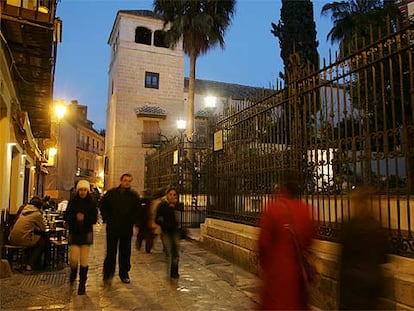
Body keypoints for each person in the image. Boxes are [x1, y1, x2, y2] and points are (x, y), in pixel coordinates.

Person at [258, 171, 314, 310]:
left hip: (276, 276)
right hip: (297, 280)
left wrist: (266, 267)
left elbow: (263, 245)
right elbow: (309, 242)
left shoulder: (273, 209)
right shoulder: (306, 211)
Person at [339, 185, 388, 310]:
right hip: (373, 282)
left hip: (353, 285)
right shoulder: (377, 227)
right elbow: (384, 258)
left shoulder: (349, 226)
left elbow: (343, 257)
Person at [99, 173, 141, 284]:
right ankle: (108, 274)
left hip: (126, 228)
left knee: (125, 252)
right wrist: (106, 218)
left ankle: (124, 274)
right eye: (125, 180)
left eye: (129, 181)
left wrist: (133, 220)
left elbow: (137, 210)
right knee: (111, 252)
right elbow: (102, 205)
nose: (127, 183)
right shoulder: (111, 194)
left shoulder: (134, 196)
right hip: (113, 227)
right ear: (121, 181)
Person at [63, 179, 98, 295]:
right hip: (75, 233)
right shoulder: (73, 202)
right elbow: (66, 216)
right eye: (81, 190)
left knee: (84, 260)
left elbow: (94, 219)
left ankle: (82, 284)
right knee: (73, 259)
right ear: (78, 191)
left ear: (87, 191)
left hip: (86, 233)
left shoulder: (92, 203)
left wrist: (85, 218)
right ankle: (73, 273)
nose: (83, 192)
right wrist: (75, 218)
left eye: (84, 190)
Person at [9, 196, 47, 271]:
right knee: (42, 242)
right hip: (23, 239)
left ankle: (28, 260)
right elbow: (43, 228)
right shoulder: (37, 214)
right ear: (39, 207)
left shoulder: (24, 211)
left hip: (12, 237)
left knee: (35, 239)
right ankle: (31, 264)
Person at [155, 186, 180, 279]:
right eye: (170, 194)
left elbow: (178, 220)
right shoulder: (162, 206)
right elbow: (157, 219)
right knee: (169, 251)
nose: (172, 197)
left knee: (176, 252)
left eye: (174, 195)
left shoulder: (177, 206)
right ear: (166, 195)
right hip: (165, 232)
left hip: (175, 232)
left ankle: (174, 272)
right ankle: (170, 271)